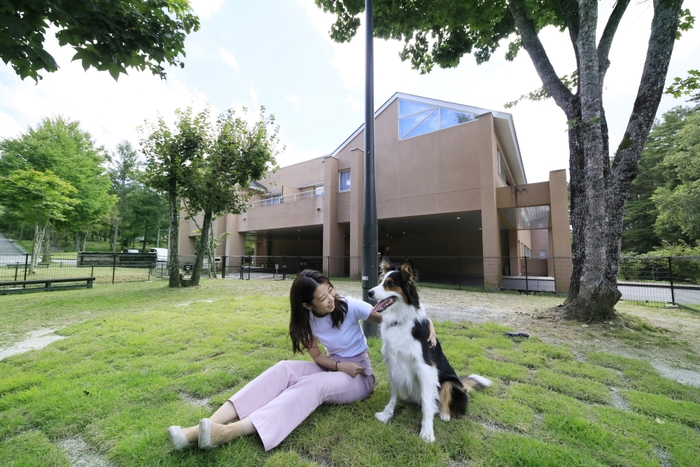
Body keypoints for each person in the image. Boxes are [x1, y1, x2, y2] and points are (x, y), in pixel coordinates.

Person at [167, 269, 435, 452]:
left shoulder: (349, 305)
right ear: (307, 305)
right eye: (322, 298)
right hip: (334, 365)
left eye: (330, 290)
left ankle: (230, 432)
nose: (331, 298)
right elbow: (317, 356)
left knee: (311, 386)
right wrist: (338, 365)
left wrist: (428, 323)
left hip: (359, 374)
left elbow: (398, 315)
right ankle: (205, 426)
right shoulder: (304, 319)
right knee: (283, 368)